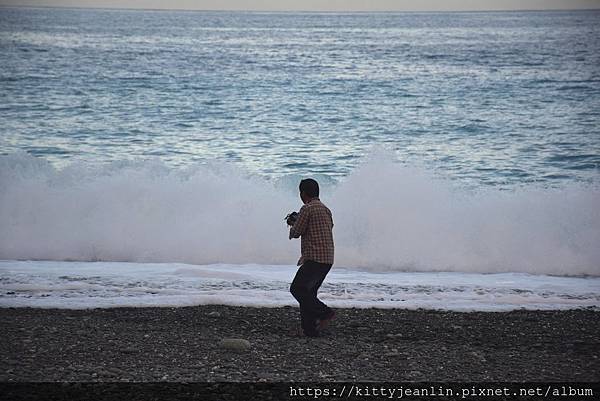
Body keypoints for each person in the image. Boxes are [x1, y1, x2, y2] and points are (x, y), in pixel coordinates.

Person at [287, 178, 335, 337]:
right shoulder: (326, 209)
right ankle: (310, 330)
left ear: (303, 193)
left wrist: (292, 222)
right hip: (327, 258)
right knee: (309, 292)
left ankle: (325, 313)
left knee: (297, 289)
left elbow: (296, 232)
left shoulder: (306, 209)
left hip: (314, 257)